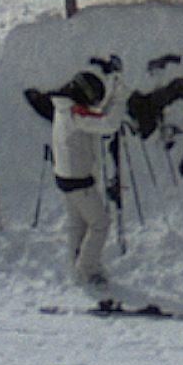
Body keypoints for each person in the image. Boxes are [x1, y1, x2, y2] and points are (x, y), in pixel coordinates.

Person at [48, 64, 128, 287]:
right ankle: (88, 269)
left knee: (78, 225)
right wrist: (120, 101)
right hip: (79, 181)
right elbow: (108, 124)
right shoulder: (76, 114)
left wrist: (112, 93)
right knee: (100, 223)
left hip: (65, 177)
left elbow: (97, 115)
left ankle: (77, 267)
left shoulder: (64, 107)